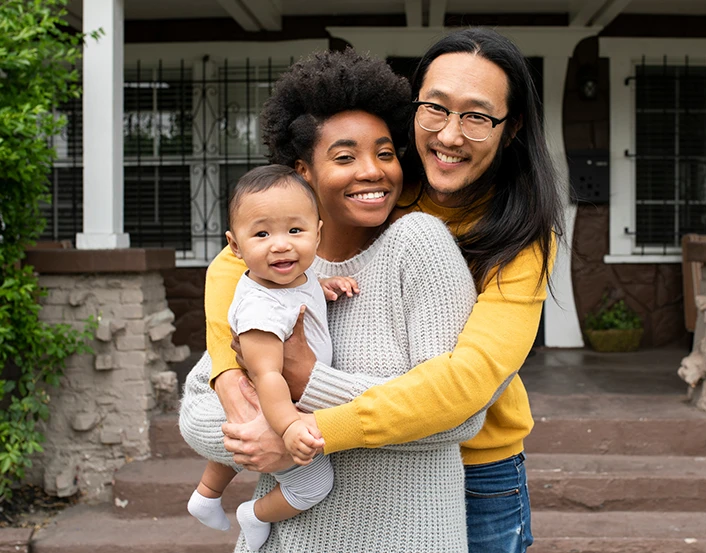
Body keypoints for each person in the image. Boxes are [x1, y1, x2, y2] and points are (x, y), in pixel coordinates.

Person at [219, 28, 564, 553]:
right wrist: (228, 380)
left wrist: (304, 422)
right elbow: (236, 266)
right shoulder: (381, 184)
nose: (450, 136)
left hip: (477, 470)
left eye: (477, 116)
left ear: (510, 127)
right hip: (358, 465)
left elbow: (466, 388)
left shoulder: (520, 234)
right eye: (436, 108)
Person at [180, 48, 484, 552]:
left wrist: (310, 392)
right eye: (345, 157)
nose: (373, 171)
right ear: (303, 170)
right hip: (287, 541)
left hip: (406, 538)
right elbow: (198, 409)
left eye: (385, 153)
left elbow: (461, 412)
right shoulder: (273, 267)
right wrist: (275, 435)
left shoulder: (419, 246)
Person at [186, 165, 357, 551]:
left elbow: (302, 290)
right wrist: (289, 428)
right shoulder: (259, 311)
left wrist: (324, 286)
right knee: (314, 486)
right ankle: (255, 513)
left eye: (294, 231)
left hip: (278, 398)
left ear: (318, 232)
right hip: (275, 403)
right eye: (262, 234)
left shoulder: (292, 275)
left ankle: (205, 494)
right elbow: (267, 376)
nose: (281, 245)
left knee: (239, 439)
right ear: (235, 245)